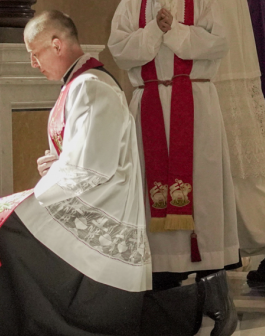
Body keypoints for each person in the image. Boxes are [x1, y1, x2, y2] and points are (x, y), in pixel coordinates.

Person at [0, 9, 236, 336]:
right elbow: (83, 158)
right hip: (95, 202)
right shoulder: (78, 85)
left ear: (57, 44)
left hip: (104, 212)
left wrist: (46, 181)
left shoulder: (91, 88)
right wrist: (55, 166)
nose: (34, 63)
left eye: (35, 54)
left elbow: (91, 171)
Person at [108, 0, 239, 334]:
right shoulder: (131, 4)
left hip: (195, 106)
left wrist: (175, 30)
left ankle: (217, 302)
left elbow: (221, 41)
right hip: (148, 103)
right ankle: (167, 307)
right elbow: (120, 49)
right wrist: (155, 30)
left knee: (203, 199)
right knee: (149, 200)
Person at [213, 0, 265, 282]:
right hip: (219, 62)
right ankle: (239, 247)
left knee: (241, 158)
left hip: (217, 67)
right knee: (236, 159)